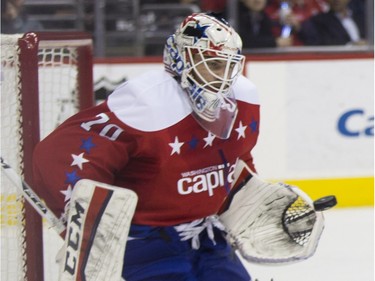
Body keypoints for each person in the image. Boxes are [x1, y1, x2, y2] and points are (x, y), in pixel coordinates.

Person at [33, 12, 259, 281]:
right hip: (144, 243)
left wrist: (253, 197)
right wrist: (83, 224)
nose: (221, 77)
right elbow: (60, 154)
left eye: (227, 65)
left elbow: (237, 157)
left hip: (207, 237)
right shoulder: (148, 101)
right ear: (183, 58)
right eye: (211, 63)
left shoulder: (243, 96)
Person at [297, 0, 367, 45]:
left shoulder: (362, 18)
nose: (336, 0)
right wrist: (352, 46)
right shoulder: (319, 21)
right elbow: (322, 43)